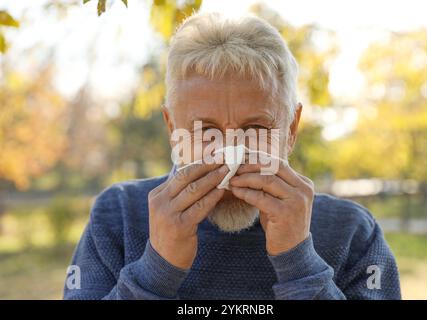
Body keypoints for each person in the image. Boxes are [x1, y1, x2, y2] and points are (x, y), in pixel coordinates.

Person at [63, 12, 401, 300]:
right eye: (204, 131)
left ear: (292, 128)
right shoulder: (118, 216)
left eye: (255, 128)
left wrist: (300, 263)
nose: (230, 155)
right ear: (171, 127)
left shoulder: (352, 232)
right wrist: (155, 270)